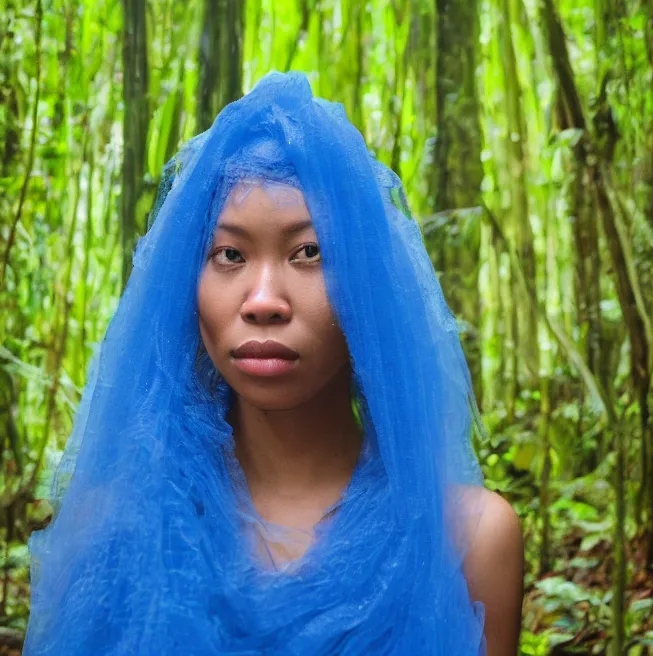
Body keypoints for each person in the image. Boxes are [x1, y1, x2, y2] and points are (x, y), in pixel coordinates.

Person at [23, 72, 524, 655]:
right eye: (229, 254)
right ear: (187, 285)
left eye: (309, 252)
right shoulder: (108, 529)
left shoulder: (469, 539)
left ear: (369, 288)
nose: (263, 301)